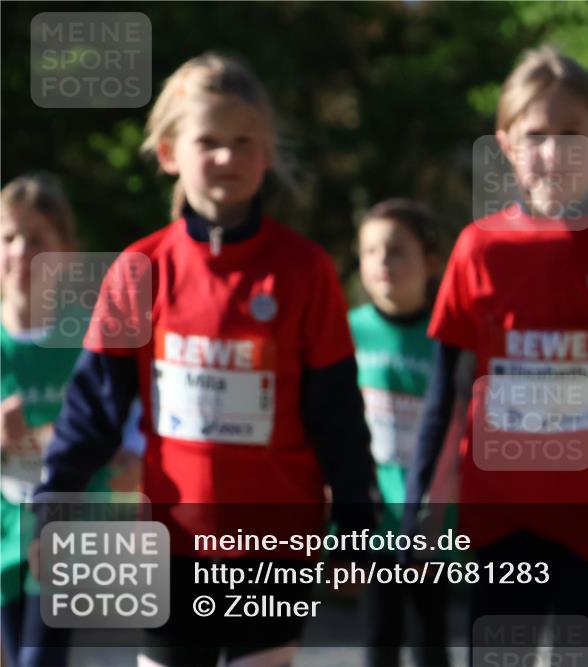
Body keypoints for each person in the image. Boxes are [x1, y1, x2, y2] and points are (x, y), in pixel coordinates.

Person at [32, 53, 378, 667]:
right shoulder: (139, 269)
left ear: (267, 152)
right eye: (208, 141)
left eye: (244, 141)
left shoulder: (306, 272)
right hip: (172, 545)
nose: (226, 157)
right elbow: (92, 409)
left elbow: (340, 419)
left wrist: (354, 531)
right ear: (169, 152)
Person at [403, 46, 588, 667]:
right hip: (497, 521)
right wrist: (417, 513)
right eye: (536, 135)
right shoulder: (478, 249)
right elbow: (446, 397)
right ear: (507, 144)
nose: (554, 152)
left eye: (571, 133)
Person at [0, 173, 142, 667]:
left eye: (36, 239)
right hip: (4, 529)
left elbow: (131, 411)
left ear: (67, 256)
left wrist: (128, 450)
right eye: (9, 238)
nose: (20, 252)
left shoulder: (89, 336)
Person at [351, 198, 452, 667]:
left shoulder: (447, 339)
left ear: (430, 263)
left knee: (431, 635)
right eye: (370, 251)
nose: (381, 263)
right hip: (370, 513)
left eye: (395, 250)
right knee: (379, 636)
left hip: (431, 515)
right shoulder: (347, 331)